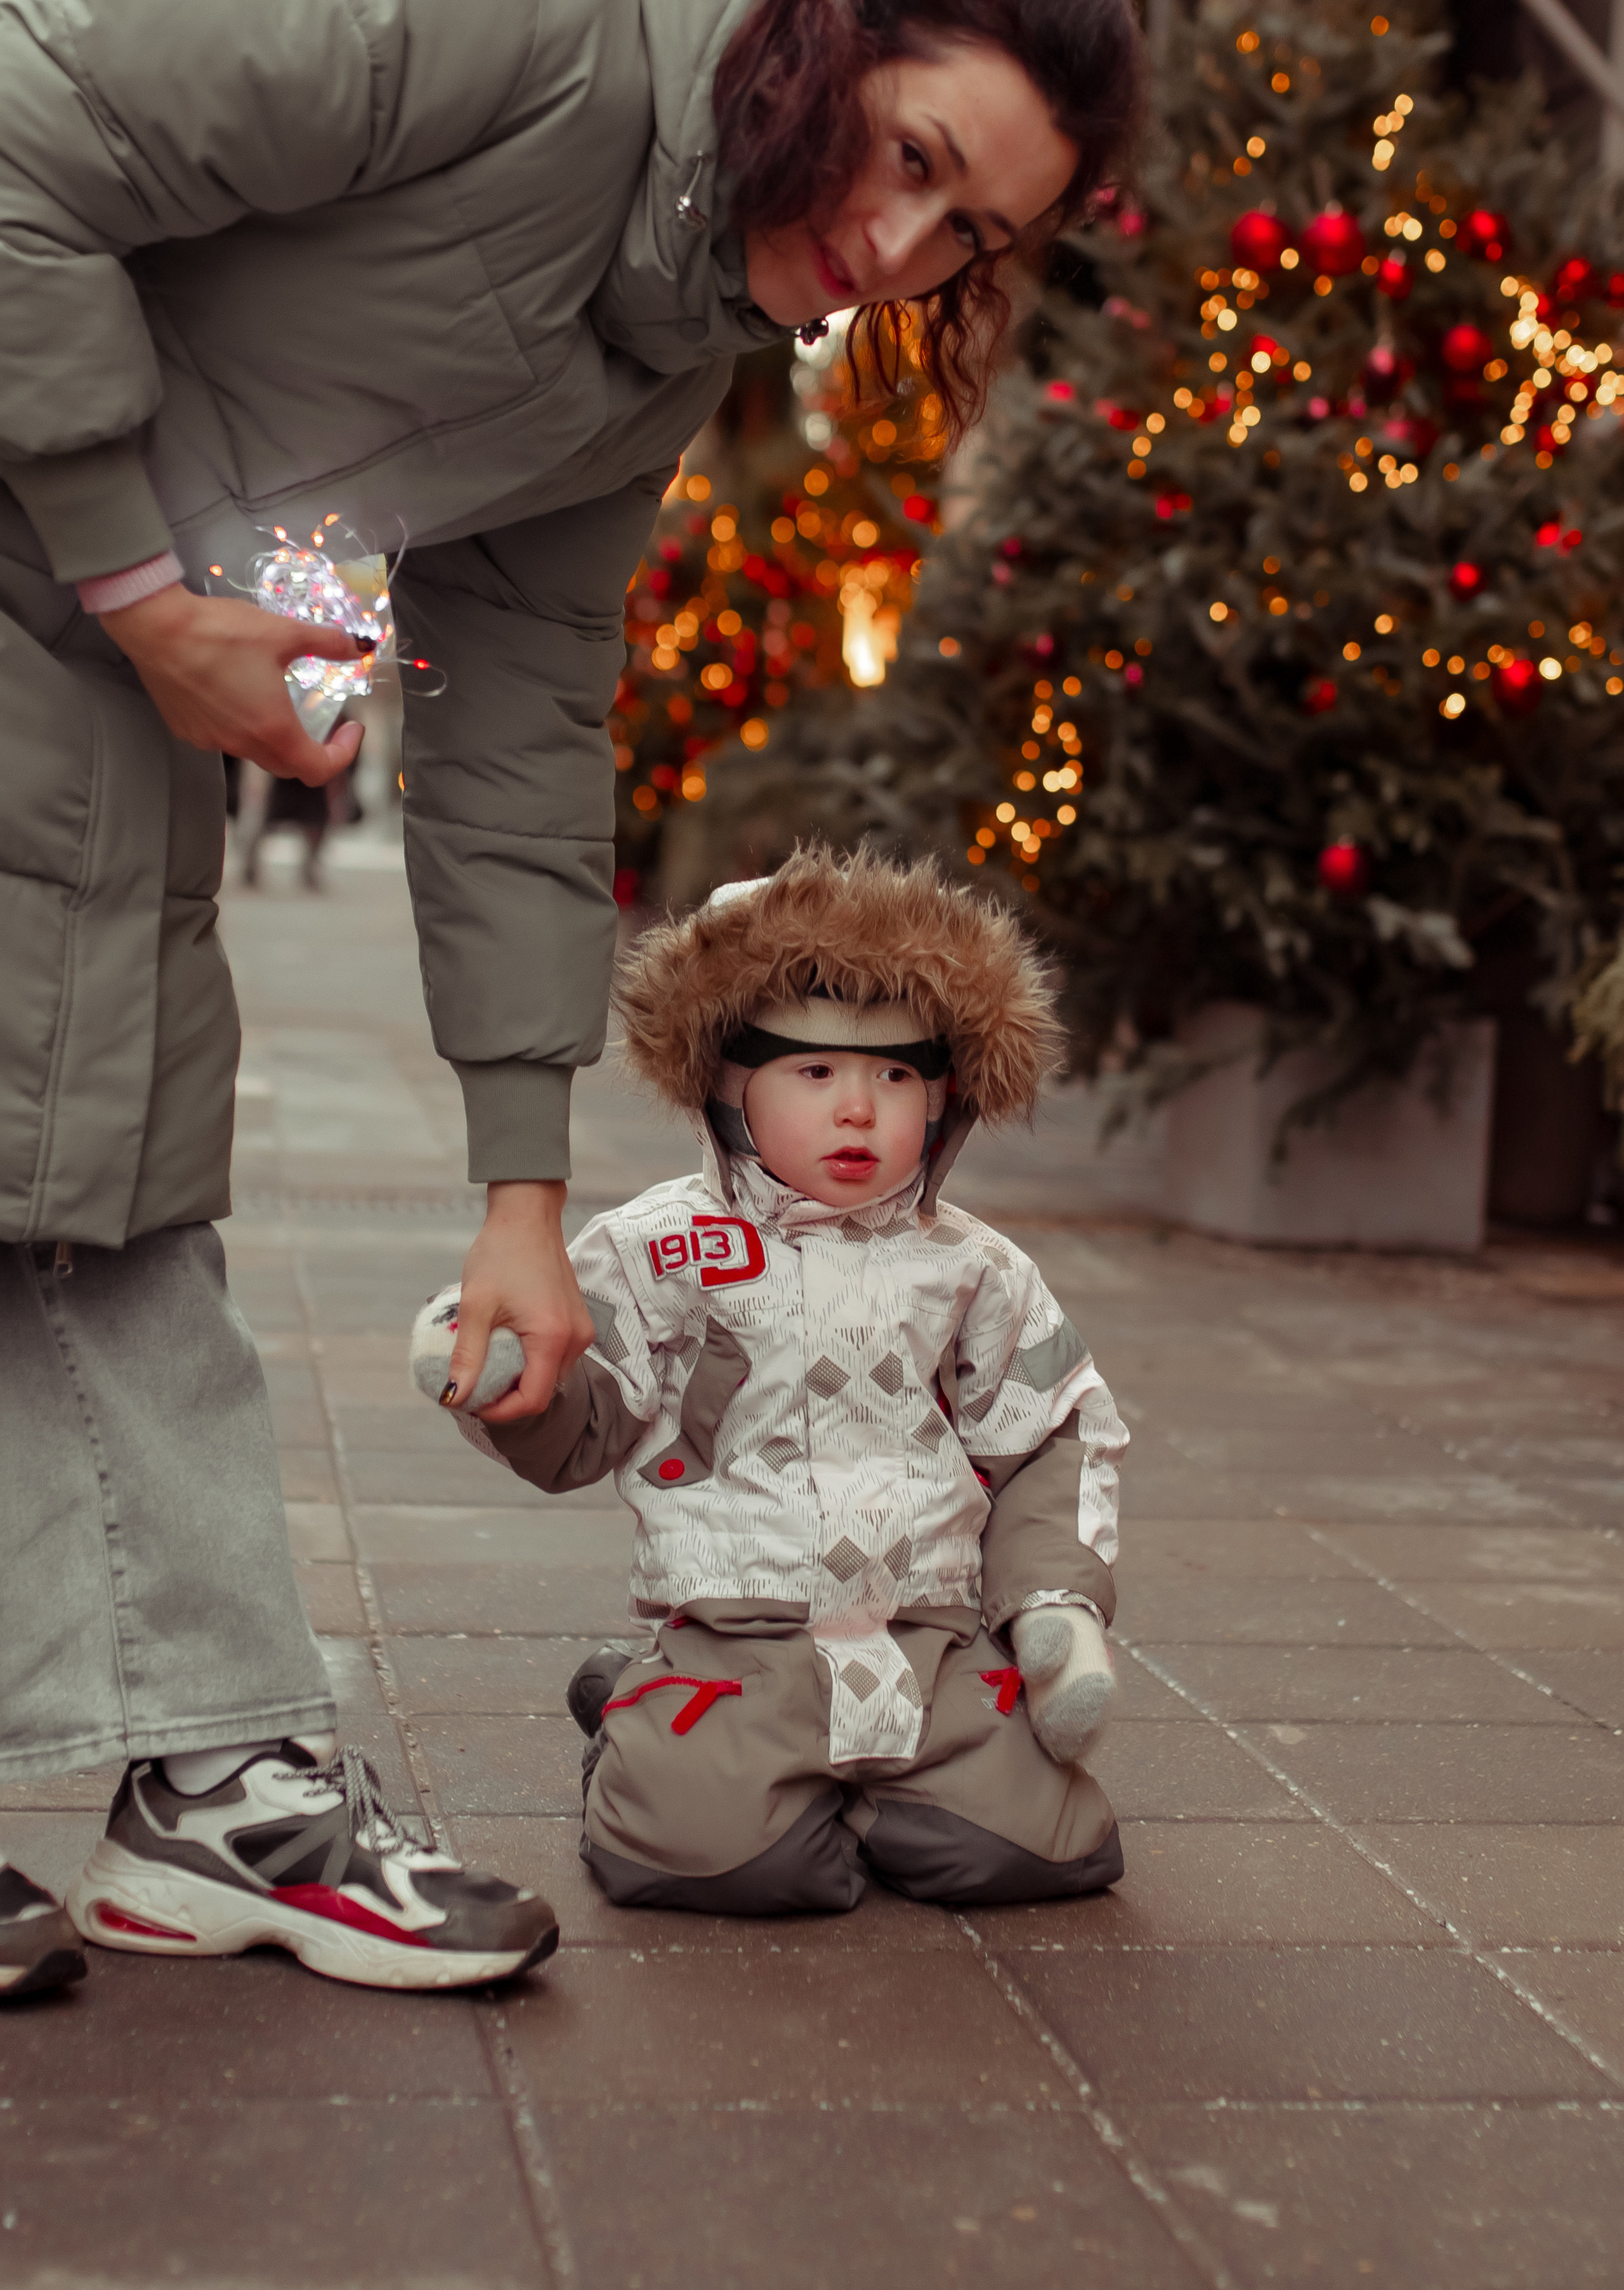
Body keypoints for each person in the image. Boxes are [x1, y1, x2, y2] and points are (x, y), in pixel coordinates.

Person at [0, 0, 1141, 1996]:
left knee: (91, 1162)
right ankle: (219, 1778)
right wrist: (144, 589)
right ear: (825, 40)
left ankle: (213, 1780)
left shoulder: (666, 354)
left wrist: (522, 1199)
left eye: (968, 234)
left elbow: (521, 726)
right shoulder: (523, 35)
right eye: (913, 154)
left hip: (98, 674)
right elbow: (22, 128)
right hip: (82, 612)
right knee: (84, 1180)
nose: (897, 248)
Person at [410, 850, 1128, 1912]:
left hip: (928, 1633)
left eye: (896, 1078)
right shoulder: (664, 1249)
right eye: (815, 1073)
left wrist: (1052, 1607)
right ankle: (643, 1718)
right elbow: (587, 1418)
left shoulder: (974, 1266)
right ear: (729, 1084)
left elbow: (1052, 1430)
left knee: (1037, 1851)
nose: (858, 1111)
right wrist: (514, 1379)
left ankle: (880, 1789)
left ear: (944, 1098)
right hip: (742, 1634)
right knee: (718, 1859)